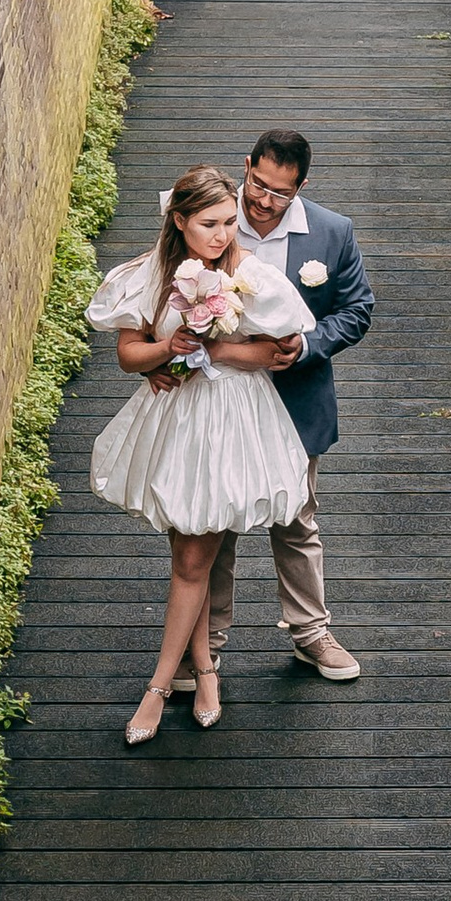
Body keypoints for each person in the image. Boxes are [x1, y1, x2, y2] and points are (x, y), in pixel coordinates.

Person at [86, 165, 319, 745]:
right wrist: (169, 348)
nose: (223, 235)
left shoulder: (253, 278)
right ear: (179, 221)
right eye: (210, 224)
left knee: (193, 561)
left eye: (229, 222)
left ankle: (159, 689)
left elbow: (278, 351)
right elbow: (128, 355)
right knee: (188, 553)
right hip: (175, 425)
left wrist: (214, 346)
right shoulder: (149, 275)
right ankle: (207, 672)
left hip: (233, 423)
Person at [173, 127, 371, 690]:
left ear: (301, 186)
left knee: (296, 518)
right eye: (257, 184)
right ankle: (203, 644)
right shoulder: (210, 219)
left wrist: (307, 345)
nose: (262, 201)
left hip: (293, 398)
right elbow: (169, 290)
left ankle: (311, 634)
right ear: (247, 166)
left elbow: (357, 311)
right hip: (219, 398)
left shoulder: (333, 233)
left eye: (280, 193)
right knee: (218, 520)